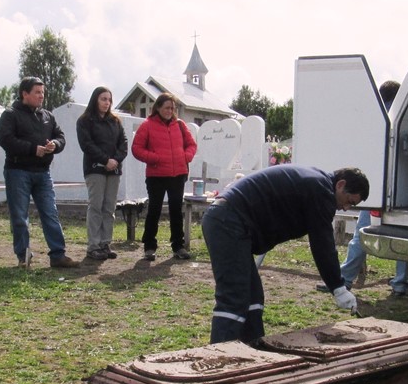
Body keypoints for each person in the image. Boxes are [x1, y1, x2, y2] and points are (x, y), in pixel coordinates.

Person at [202, 165, 368, 344]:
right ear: (340, 185)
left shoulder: (317, 184)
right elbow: (323, 244)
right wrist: (338, 287)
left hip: (230, 220)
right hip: (229, 221)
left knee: (253, 296)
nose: (345, 208)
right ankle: (218, 355)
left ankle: (253, 347)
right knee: (234, 297)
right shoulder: (321, 190)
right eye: (349, 201)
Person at [315, 80, 408, 296]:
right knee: (403, 239)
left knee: (361, 235)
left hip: (378, 187)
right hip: (402, 189)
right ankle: (401, 283)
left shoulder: (379, 118)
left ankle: (345, 279)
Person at [0, 76, 79, 269]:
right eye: (37, 92)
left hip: (43, 172)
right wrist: (32, 149)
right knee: (19, 216)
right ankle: (23, 256)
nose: (41, 96)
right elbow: (6, 140)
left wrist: (55, 145)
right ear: (25, 94)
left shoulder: (47, 116)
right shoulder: (10, 115)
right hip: (18, 171)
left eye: (43, 92)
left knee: (50, 213)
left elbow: (61, 136)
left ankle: (58, 255)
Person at [131, 92, 197, 261]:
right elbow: (136, 149)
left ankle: (178, 246)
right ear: (158, 107)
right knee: (154, 210)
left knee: (176, 210)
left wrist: (185, 157)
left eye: (172, 108)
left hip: (178, 175)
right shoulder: (147, 125)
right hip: (156, 175)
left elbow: (191, 145)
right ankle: (149, 246)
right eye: (167, 107)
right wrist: (154, 158)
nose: (170, 111)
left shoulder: (180, 125)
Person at [76, 86, 127, 260]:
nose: (107, 103)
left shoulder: (116, 122)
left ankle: (105, 243)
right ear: (95, 100)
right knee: (96, 206)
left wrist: (115, 160)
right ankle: (93, 246)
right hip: (95, 169)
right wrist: (106, 160)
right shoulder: (85, 121)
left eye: (109, 100)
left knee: (109, 207)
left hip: (114, 170)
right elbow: (87, 145)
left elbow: (123, 143)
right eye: (103, 99)